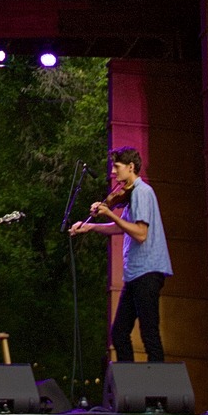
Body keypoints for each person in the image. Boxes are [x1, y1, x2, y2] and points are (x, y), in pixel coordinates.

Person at [69, 146, 171, 363]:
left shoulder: (142, 192)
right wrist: (90, 227)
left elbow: (141, 233)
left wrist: (111, 214)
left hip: (148, 271)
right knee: (119, 333)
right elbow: (122, 228)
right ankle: (131, 388)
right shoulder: (132, 194)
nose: (113, 173)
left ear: (131, 167)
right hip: (135, 274)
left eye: (117, 167)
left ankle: (158, 392)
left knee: (149, 334)